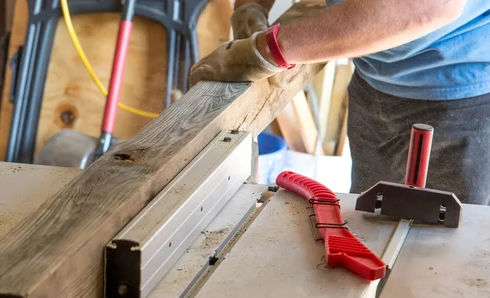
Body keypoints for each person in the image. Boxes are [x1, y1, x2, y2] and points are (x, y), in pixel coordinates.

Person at [190, 0, 490, 206]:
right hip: (374, 84)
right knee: (368, 232)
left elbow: (430, 6)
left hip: (465, 99)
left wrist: (272, 50)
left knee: (440, 264)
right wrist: (250, 8)